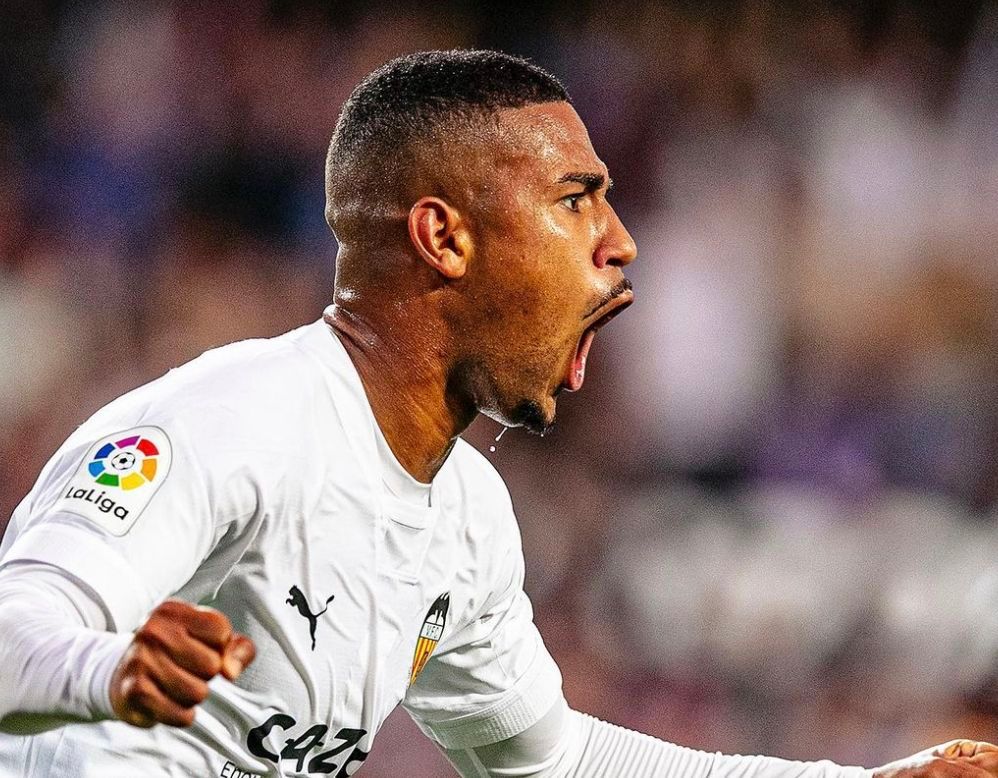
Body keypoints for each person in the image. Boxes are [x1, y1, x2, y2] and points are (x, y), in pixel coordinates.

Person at [0, 49, 993, 778]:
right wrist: (105, 663)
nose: (618, 244)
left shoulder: (463, 513)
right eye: (572, 201)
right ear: (442, 236)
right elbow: (16, 629)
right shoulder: (226, 426)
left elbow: (552, 760)